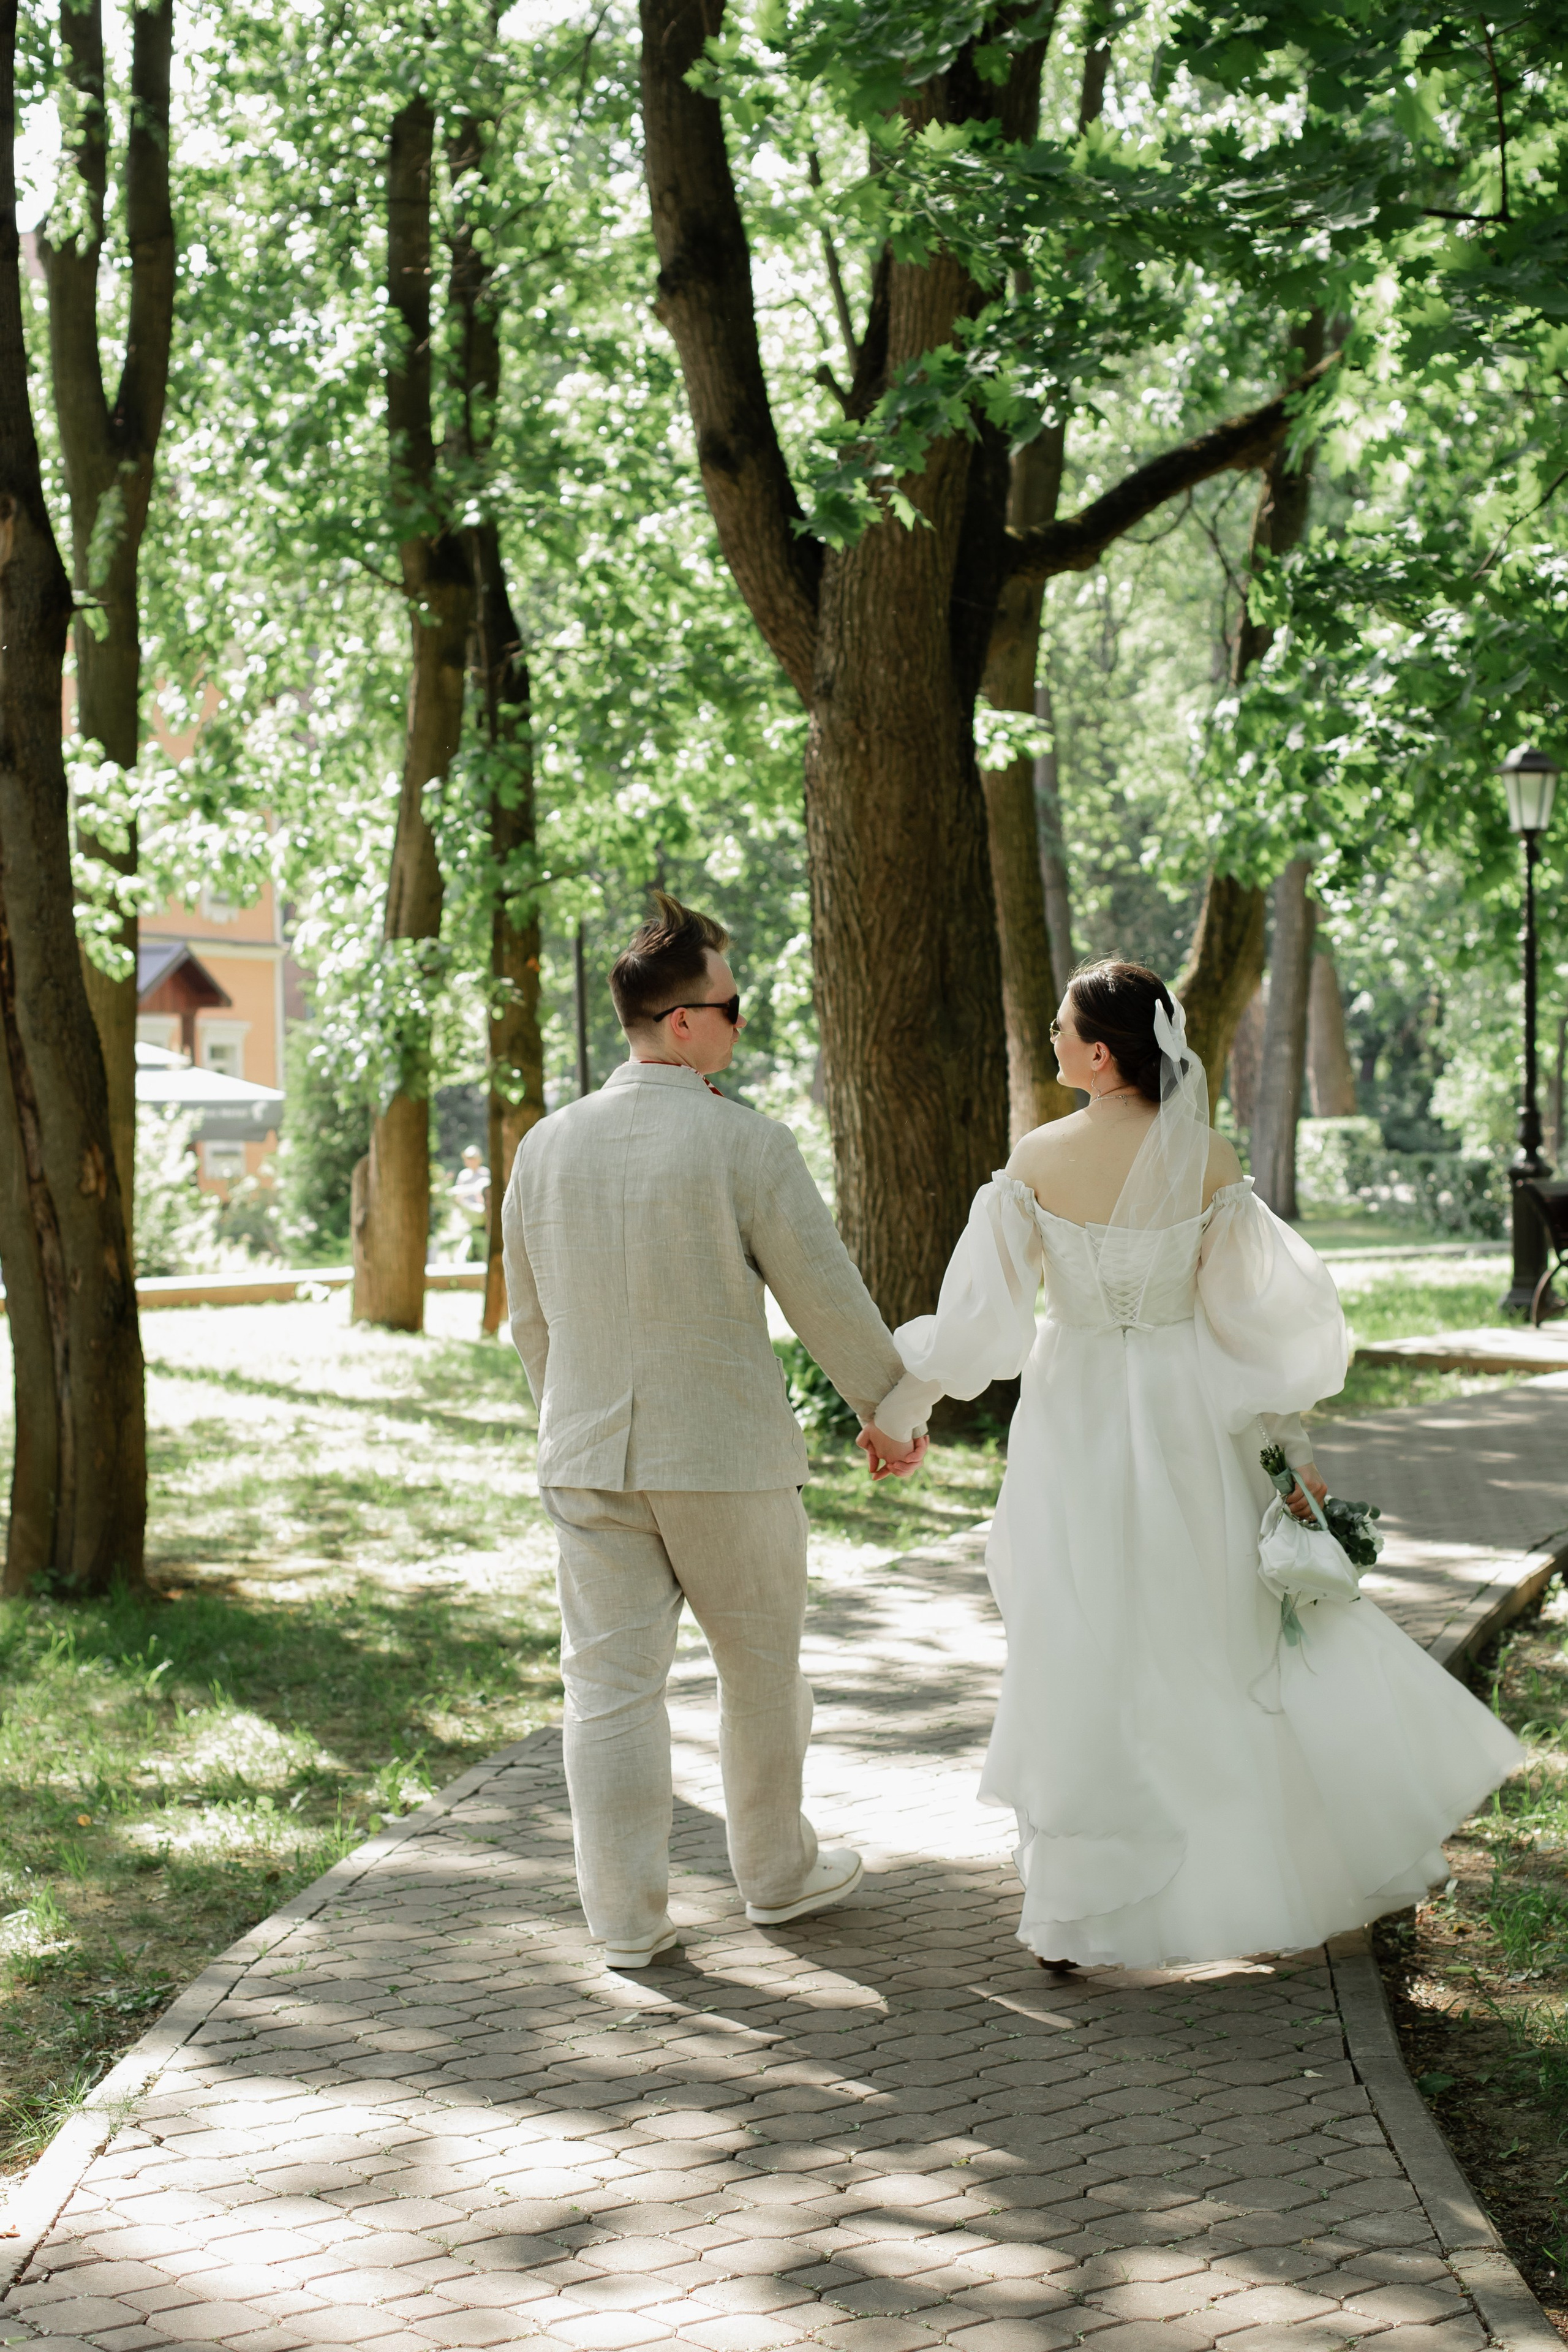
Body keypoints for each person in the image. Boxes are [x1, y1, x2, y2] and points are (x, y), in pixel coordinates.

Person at [872, 959, 1522, 1971]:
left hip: (1077, 1414)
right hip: (1188, 1415)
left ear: (1101, 1054)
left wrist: (900, 1411)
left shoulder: (1038, 1159)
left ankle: (1077, 1908)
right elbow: (1249, 1328)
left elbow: (977, 1326)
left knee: (1079, 1633)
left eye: (1062, 1028)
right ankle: (1238, 1879)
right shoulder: (1206, 1158)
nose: (1051, 1040)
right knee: (1209, 1631)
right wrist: (1291, 1456)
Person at [502, 894, 925, 1969]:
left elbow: (530, 1320)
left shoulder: (544, 1147)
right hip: (725, 1456)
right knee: (763, 1674)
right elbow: (826, 1296)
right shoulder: (745, 1143)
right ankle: (777, 1878)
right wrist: (891, 1413)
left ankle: (626, 1924)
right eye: (732, 1008)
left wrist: (572, 1417)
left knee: (607, 1695)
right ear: (682, 1022)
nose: (743, 1023)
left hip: (586, 1458)